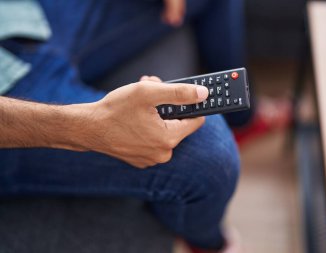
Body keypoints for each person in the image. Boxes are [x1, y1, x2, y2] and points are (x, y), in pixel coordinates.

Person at [0, 0, 245, 252]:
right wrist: (89, 127)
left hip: (22, 11)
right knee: (208, 153)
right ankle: (209, 244)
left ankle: (244, 123)